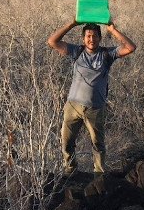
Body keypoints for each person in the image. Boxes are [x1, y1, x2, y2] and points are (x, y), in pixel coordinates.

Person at [47, 19, 136, 175]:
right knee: (66, 142)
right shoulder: (77, 51)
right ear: (83, 38)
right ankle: (70, 170)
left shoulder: (107, 54)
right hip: (73, 106)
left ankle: (99, 175)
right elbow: (52, 41)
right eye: (88, 36)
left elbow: (131, 47)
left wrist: (113, 30)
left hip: (95, 107)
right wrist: (72, 24)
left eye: (95, 36)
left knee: (97, 144)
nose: (91, 39)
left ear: (100, 38)